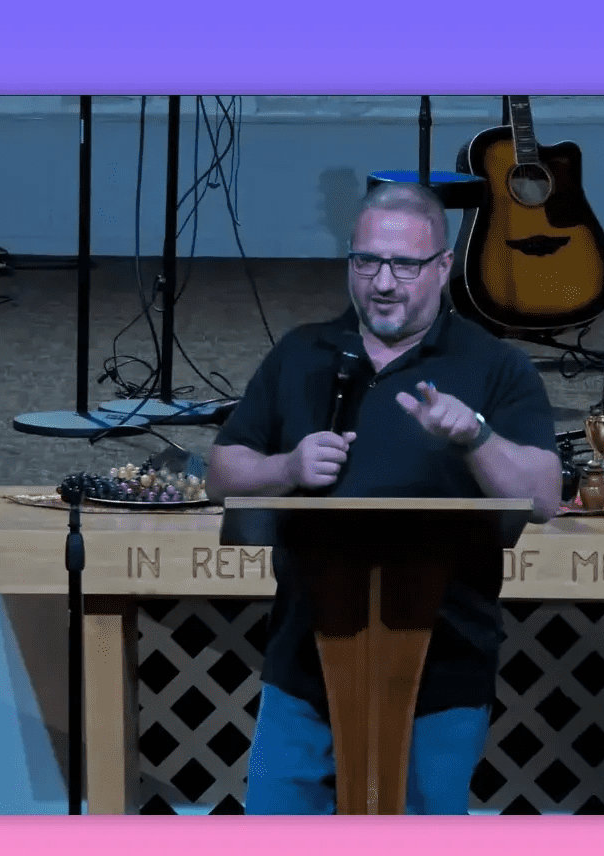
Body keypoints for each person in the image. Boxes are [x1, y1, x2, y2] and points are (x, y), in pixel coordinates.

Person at [205, 182, 562, 814]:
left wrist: (475, 437)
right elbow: (224, 471)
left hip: (444, 662)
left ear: (444, 267)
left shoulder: (493, 364)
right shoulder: (301, 354)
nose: (383, 282)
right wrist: (286, 465)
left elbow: (542, 497)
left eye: (405, 265)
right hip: (304, 657)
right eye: (366, 261)